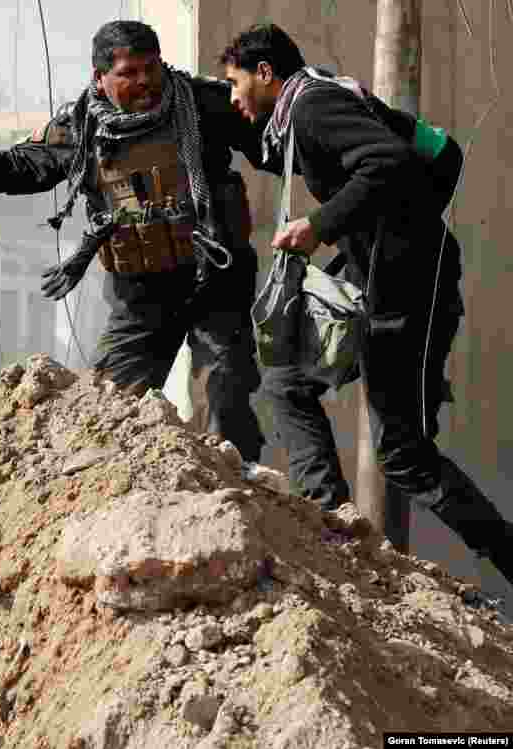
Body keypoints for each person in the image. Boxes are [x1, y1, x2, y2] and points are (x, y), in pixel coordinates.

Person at [219, 23, 513, 583]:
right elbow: (426, 153)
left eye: (235, 83)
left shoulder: (313, 108)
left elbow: (389, 162)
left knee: (403, 456)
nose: (233, 98)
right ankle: (330, 523)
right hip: (373, 275)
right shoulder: (314, 103)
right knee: (286, 377)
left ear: (264, 73)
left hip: (407, 289)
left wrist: (323, 224)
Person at [0, 20, 267, 462]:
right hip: (142, 292)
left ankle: (235, 496)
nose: (145, 82)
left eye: (151, 68)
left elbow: (272, 140)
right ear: (100, 78)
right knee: (109, 410)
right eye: (128, 73)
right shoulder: (80, 127)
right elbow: (20, 168)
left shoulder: (202, 102)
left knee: (226, 392)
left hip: (216, 278)